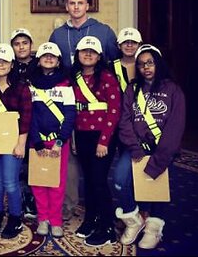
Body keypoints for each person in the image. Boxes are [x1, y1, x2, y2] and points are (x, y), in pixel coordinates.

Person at [49, 0, 120, 222]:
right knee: (70, 162)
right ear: (66, 6)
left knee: (96, 171)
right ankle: (70, 205)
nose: (76, 7)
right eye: (72, 3)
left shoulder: (104, 31)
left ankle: (102, 215)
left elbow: (113, 64)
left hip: (96, 103)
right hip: (70, 104)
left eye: (80, 3)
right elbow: (54, 65)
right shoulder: (58, 34)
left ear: (87, 6)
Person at [114, 44, 185, 249]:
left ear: (158, 63)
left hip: (162, 149)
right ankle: (134, 220)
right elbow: (125, 121)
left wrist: (160, 158)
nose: (146, 67)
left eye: (150, 63)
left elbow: (175, 126)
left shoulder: (173, 89)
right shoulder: (132, 89)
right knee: (119, 180)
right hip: (135, 147)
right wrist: (134, 147)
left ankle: (154, 226)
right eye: (141, 64)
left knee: (158, 185)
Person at [71, 36, 121, 247]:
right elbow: (71, 111)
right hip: (81, 135)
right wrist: (73, 139)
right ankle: (91, 219)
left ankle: (108, 226)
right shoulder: (74, 78)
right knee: (89, 181)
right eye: (84, 51)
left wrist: (104, 141)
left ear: (99, 55)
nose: (88, 54)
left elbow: (114, 110)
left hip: (102, 135)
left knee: (99, 181)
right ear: (78, 54)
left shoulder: (108, 77)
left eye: (92, 51)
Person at [0, 43, 32, 239]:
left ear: (12, 64)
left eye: (5, 61)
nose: (0, 64)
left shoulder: (21, 88)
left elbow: (26, 118)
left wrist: (21, 144)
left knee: (10, 182)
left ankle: (15, 217)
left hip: (13, 144)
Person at [29, 42, 76, 238]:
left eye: (52, 56)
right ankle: (43, 218)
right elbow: (28, 115)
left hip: (58, 143)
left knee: (57, 182)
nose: (49, 59)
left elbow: (70, 114)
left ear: (58, 62)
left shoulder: (66, 84)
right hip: (37, 142)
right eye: (45, 56)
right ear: (39, 60)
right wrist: (37, 141)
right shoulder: (31, 84)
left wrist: (60, 140)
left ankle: (55, 220)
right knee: (38, 182)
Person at [10, 27, 38, 220]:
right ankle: (18, 200)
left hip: (36, 120)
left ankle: (34, 201)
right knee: (16, 164)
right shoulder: (7, 66)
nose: (21, 47)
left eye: (25, 43)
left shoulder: (40, 64)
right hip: (13, 122)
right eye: (17, 44)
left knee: (33, 163)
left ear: (31, 45)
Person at [111, 27, 143, 93]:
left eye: (133, 42)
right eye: (125, 42)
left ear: (139, 45)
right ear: (119, 45)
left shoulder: (145, 66)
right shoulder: (110, 67)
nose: (129, 45)